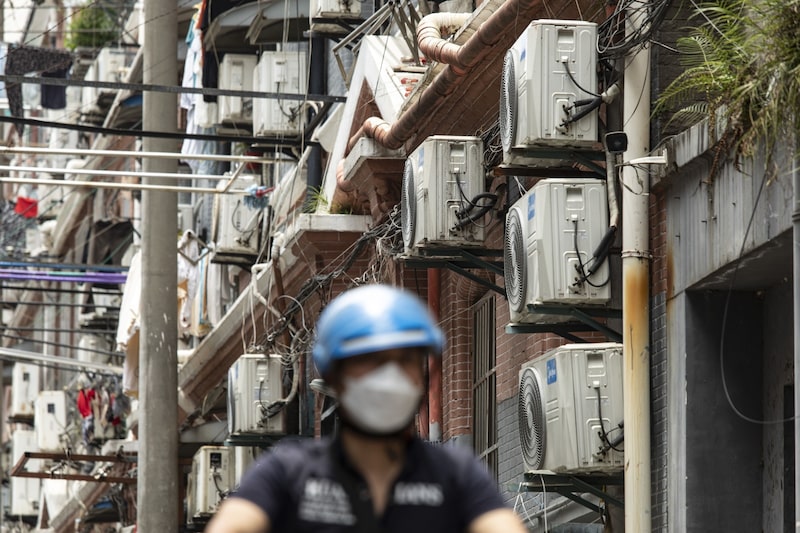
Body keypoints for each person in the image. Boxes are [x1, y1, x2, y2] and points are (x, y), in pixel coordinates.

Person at [206, 284, 527, 533]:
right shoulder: (287, 473)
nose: (389, 377)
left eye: (405, 361)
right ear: (335, 376)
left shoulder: (456, 475)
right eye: (369, 362)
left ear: (425, 374)